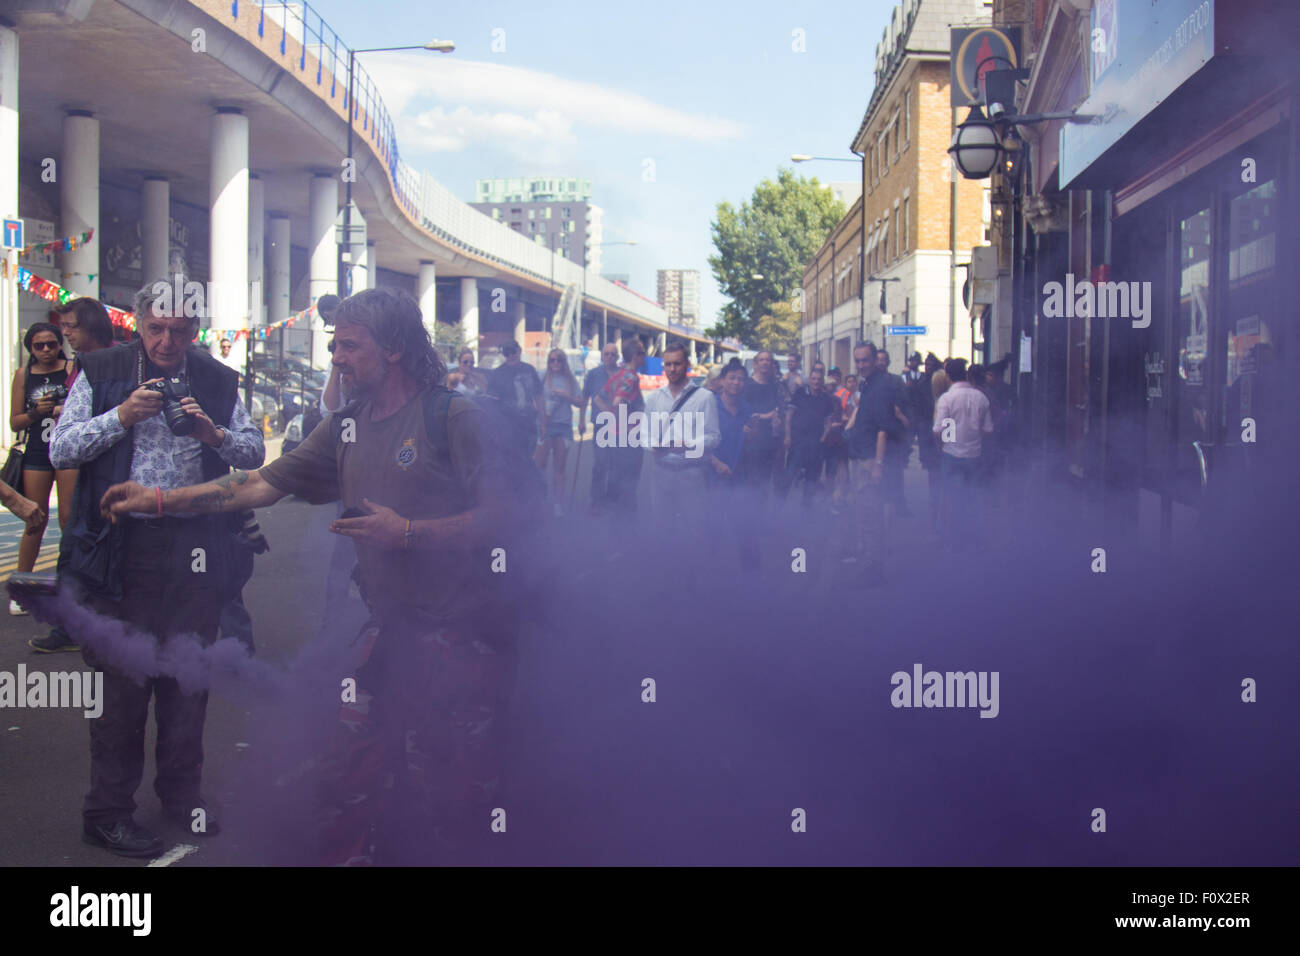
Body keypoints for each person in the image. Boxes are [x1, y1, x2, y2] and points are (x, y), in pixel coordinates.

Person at [100, 287, 517, 866]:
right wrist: (161, 499)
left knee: (449, 790)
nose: (336, 358)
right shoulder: (346, 425)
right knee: (348, 775)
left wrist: (410, 533)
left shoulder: (454, 417)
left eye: (349, 346)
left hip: (464, 638)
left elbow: (505, 517)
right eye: (334, 346)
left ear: (393, 349)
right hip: (389, 633)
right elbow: (256, 485)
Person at [50, 277, 265, 857]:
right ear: (137, 323)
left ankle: (181, 792)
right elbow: (60, 449)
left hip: (195, 550)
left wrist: (210, 431)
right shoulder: (101, 371)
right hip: (121, 549)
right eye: (156, 329)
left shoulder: (217, 378)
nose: (167, 341)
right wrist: (119, 416)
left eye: (180, 331)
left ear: (197, 330)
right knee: (120, 688)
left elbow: (252, 458)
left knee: (187, 677)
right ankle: (108, 811)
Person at [32, 298, 118, 650]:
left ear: (92, 327)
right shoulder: (79, 366)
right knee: (72, 548)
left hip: (111, 473)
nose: (64, 333)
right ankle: (69, 627)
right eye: (63, 326)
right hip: (83, 468)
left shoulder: (114, 364)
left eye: (71, 327)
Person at [9, 323, 75, 618]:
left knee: (69, 519)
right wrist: (36, 412)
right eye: (39, 346)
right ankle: (22, 587)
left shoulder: (73, 367)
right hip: (37, 450)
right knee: (34, 518)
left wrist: (64, 409)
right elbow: (15, 422)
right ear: (30, 348)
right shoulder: (24, 375)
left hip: (68, 450)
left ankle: (74, 586)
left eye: (52, 344)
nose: (47, 350)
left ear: (60, 344)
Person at [843, 342, 907, 580]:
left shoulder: (880, 387)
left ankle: (872, 569)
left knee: (870, 514)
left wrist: (878, 465)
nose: (861, 365)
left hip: (871, 459)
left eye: (865, 360)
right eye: (857, 361)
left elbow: (882, 428)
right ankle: (866, 560)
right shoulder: (868, 384)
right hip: (862, 454)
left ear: (875, 360)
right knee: (864, 511)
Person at [643, 341, 719, 521]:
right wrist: (652, 446)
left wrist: (688, 445)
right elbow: (644, 434)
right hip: (661, 472)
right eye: (668, 364)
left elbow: (714, 437)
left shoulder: (704, 397)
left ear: (687, 365)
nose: (672, 369)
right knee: (662, 528)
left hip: (691, 474)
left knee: (694, 530)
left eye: (677, 363)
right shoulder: (654, 398)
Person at [932, 358, 993, 545]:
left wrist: (943, 445)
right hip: (974, 454)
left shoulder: (947, 398)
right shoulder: (981, 397)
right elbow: (988, 429)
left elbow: (940, 428)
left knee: (950, 497)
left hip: (951, 455)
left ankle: (951, 537)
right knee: (972, 496)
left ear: (948, 376)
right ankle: (973, 536)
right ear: (965, 374)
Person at [593, 336, 646, 513]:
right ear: (636, 356)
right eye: (643, 353)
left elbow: (598, 399)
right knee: (629, 487)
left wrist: (612, 419)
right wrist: (627, 425)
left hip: (616, 439)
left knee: (617, 482)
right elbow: (617, 402)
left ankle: (617, 525)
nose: (645, 357)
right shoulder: (631, 377)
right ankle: (626, 529)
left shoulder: (619, 375)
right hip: (628, 442)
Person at [782, 367, 838, 508]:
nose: (816, 382)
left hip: (816, 444)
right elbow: (789, 416)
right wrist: (787, 436)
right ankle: (779, 505)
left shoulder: (826, 399)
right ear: (809, 380)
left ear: (822, 381)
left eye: (819, 379)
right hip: (798, 442)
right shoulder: (800, 394)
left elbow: (828, 422)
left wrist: (823, 438)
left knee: (812, 479)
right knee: (790, 474)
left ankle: (806, 510)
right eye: (813, 379)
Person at [536, 348, 581, 516]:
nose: (555, 363)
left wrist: (566, 396)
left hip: (563, 425)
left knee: (559, 467)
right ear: (548, 362)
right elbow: (534, 397)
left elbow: (580, 402)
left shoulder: (570, 380)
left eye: (559, 360)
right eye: (552, 360)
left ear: (564, 362)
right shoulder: (541, 377)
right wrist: (540, 412)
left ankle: (557, 504)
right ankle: (539, 499)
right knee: (539, 464)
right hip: (544, 425)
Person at [740, 350, 785, 500]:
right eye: (762, 360)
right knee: (751, 483)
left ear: (772, 364)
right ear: (755, 364)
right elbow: (742, 412)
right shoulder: (747, 386)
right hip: (751, 442)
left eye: (768, 360)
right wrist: (764, 416)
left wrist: (778, 421)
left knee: (765, 484)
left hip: (770, 441)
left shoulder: (775, 386)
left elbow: (780, 408)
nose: (765, 362)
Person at [581, 342, 620, 515]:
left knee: (616, 465)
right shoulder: (593, 374)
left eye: (613, 354)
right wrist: (581, 420)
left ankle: (611, 499)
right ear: (602, 356)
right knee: (600, 464)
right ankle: (596, 500)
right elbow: (584, 398)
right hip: (601, 424)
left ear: (617, 356)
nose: (610, 357)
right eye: (607, 354)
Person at [487, 340, 544, 456]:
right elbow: (491, 402)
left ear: (519, 351)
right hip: (507, 425)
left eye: (512, 352)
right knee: (512, 461)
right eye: (506, 353)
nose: (510, 356)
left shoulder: (529, 370)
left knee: (528, 459)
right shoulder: (497, 374)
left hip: (529, 424)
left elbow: (539, 395)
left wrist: (543, 423)